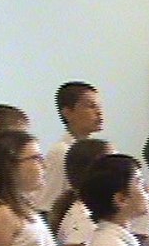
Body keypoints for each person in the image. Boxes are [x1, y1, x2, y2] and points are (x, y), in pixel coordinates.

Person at [37, 81, 104, 215]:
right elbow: (48, 205)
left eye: (99, 106)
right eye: (91, 106)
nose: (99, 112)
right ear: (67, 112)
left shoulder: (99, 150)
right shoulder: (61, 152)